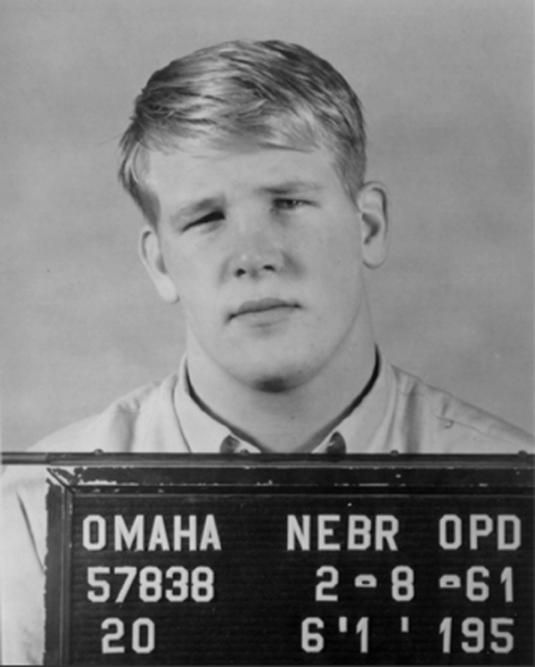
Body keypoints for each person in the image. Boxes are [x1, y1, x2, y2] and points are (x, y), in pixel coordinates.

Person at [1, 39, 532, 665]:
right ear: (160, 263)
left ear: (368, 226)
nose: (254, 255)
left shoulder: (520, 498)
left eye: (289, 202)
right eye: (206, 218)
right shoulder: (30, 516)